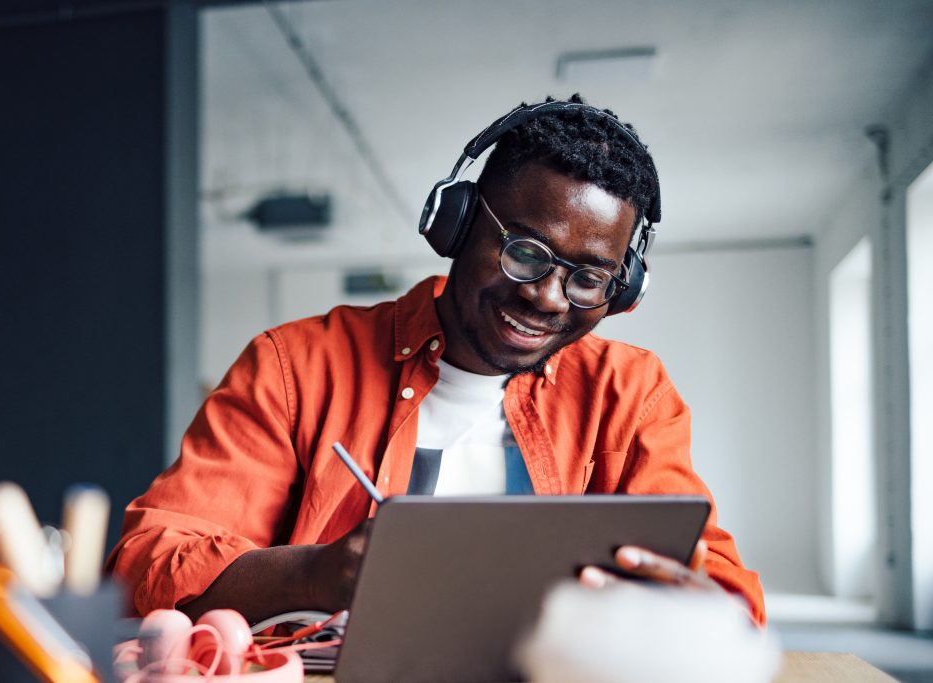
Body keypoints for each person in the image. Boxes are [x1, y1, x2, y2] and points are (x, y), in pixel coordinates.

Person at [107, 95, 765, 627]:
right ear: (457, 224)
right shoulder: (294, 365)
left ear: (621, 289)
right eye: (526, 252)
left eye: (588, 278)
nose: (545, 295)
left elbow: (728, 595)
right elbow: (147, 560)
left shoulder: (629, 390)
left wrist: (698, 607)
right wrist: (321, 572)